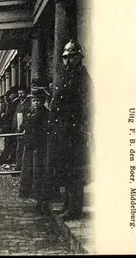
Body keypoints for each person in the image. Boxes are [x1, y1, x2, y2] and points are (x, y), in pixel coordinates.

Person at [44, 40, 92, 221]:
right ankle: (68, 203)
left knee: (75, 171)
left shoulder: (82, 78)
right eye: (65, 58)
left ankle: (75, 209)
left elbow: (87, 106)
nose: (67, 62)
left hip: (74, 132)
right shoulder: (69, 77)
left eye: (71, 58)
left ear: (79, 57)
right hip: (63, 132)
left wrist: (82, 129)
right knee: (65, 169)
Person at [19, 88, 49, 213]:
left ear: (43, 101)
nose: (36, 103)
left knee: (38, 172)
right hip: (30, 145)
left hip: (39, 146)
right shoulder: (32, 112)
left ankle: (41, 201)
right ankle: (34, 197)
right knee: (29, 171)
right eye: (34, 101)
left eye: (38, 101)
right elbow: (23, 125)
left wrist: (27, 124)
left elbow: (35, 127)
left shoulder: (45, 113)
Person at [0, 87, 19, 167]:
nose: (9, 97)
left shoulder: (13, 103)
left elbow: (10, 115)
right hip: (9, 125)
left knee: (9, 143)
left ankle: (5, 158)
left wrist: (5, 117)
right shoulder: (10, 103)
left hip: (10, 126)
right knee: (9, 143)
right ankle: (6, 158)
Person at [13, 87, 31, 172]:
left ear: (26, 94)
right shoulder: (19, 104)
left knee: (21, 149)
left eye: (22, 93)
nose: (20, 95)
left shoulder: (27, 104)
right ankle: (19, 166)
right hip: (18, 130)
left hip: (23, 130)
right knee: (19, 149)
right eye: (19, 93)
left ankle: (20, 168)